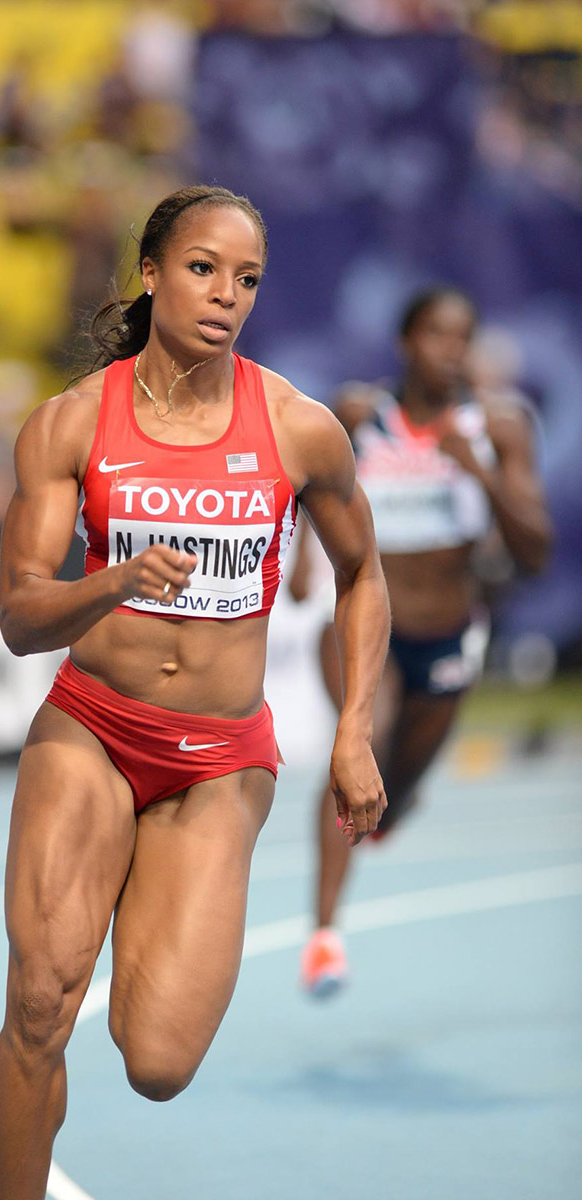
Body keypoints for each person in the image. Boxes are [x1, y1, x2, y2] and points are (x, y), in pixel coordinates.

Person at [0, 183, 390, 1198]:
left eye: (246, 279)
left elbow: (363, 574)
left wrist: (353, 731)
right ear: (153, 273)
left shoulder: (299, 429)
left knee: (158, 1063)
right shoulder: (71, 423)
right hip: (92, 730)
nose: (225, 296)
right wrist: (112, 579)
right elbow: (21, 616)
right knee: (39, 1003)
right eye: (204, 269)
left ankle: (138, 889)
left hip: (217, 761)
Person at [297, 286, 553, 998]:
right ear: (406, 342)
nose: (450, 350)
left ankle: (393, 808)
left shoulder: (497, 428)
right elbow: (298, 478)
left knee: (397, 788)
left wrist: (480, 473)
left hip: (446, 636)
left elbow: (535, 549)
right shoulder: (356, 413)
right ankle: (323, 937)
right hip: (357, 620)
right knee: (359, 743)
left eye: (461, 337)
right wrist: (293, 559)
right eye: (436, 334)